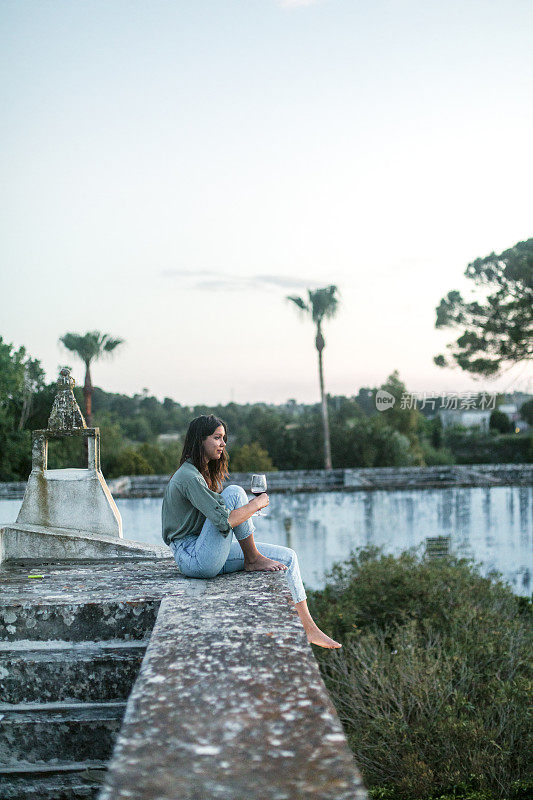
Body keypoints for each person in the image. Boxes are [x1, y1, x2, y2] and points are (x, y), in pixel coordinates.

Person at [162, 414, 341, 649]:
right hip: (194, 557)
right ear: (200, 440)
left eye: (224, 438)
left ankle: (309, 629)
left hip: (206, 551)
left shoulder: (202, 474)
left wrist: (247, 509)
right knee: (235, 492)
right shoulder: (188, 477)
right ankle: (253, 558)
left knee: (288, 558)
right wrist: (256, 504)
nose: (223, 444)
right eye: (217, 438)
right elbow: (225, 521)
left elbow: (222, 522)